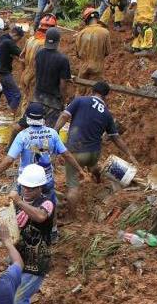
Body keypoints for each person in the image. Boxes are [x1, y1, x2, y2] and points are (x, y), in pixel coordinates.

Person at [54, 81, 138, 218]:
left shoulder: (80, 101)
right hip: (94, 153)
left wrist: (55, 131)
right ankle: (97, 178)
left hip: (76, 151)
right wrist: (129, 154)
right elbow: (116, 138)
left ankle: (71, 217)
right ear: (105, 97)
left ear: (92, 91)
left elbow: (64, 116)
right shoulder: (107, 114)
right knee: (93, 164)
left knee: (73, 186)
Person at [0, 104, 86, 203]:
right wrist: (80, 170)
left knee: (24, 208)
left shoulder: (23, 136)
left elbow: (9, 160)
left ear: (27, 117)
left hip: (27, 183)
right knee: (48, 206)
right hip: (46, 180)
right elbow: (66, 154)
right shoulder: (52, 133)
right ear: (43, 117)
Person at [10, 165, 56, 304]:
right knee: (10, 293)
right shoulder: (18, 203)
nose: (27, 190)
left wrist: (19, 202)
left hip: (36, 261)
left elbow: (40, 216)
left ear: (40, 188)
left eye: (31, 188)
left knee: (19, 299)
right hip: (18, 258)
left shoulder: (46, 202)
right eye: (25, 187)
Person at [32, 28, 73, 125]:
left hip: (37, 97)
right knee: (49, 132)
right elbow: (63, 85)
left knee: (33, 127)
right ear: (58, 41)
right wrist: (63, 101)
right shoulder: (63, 59)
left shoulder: (39, 54)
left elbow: (36, 72)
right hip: (53, 101)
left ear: (46, 39)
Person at [75, 7, 111, 81]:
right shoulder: (105, 32)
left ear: (86, 20)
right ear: (97, 18)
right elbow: (108, 51)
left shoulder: (80, 34)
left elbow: (77, 54)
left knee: (81, 89)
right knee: (96, 90)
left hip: (83, 68)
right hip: (97, 67)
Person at [0, 26, 24, 113]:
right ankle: (10, 115)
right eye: (18, 39)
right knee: (17, 95)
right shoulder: (9, 42)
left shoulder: (2, 38)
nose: (17, 41)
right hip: (4, 73)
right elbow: (22, 54)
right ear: (15, 34)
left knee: (8, 95)